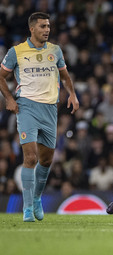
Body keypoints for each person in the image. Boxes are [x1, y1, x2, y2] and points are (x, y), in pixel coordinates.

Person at [0, 12, 79, 222]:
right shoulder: (16, 52)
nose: (47, 30)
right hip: (26, 107)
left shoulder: (55, 50)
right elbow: (1, 76)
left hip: (50, 109)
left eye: (48, 26)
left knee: (46, 159)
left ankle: (36, 198)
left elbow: (64, 75)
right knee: (31, 157)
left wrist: (72, 94)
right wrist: (9, 98)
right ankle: (27, 209)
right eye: (43, 26)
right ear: (32, 29)